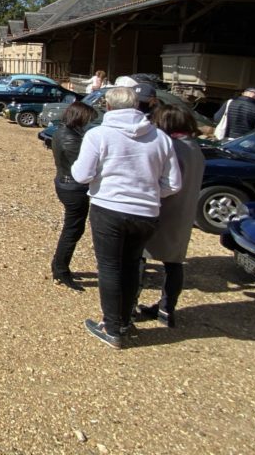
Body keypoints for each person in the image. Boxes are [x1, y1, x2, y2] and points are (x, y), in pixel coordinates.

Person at [71, 86, 182, 348]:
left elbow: (81, 175)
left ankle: (112, 329)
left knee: (109, 267)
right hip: (146, 212)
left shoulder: (98, 135)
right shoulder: (160, 138)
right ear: (137, 106)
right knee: (132, 265)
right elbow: (173, 183)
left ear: (108, 107)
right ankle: (123, 321)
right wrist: (149, 193)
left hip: (109, 208)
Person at [135, 104, 207, 328]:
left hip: (161, 209)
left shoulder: (171, 148)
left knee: (138, 257)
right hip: (184, 213)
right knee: (174, 262)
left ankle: (128, 305)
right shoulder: (194, 147)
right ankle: (167, 308)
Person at [50, 101, 99, 291]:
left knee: (73, 229)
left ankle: (59, 266)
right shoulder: (70, 137)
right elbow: (82, 167)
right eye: (87, 119)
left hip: (67, 183)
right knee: (73, 230)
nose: (89, 123)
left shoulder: (64, 131)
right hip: (72, 187)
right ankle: (61, 269)